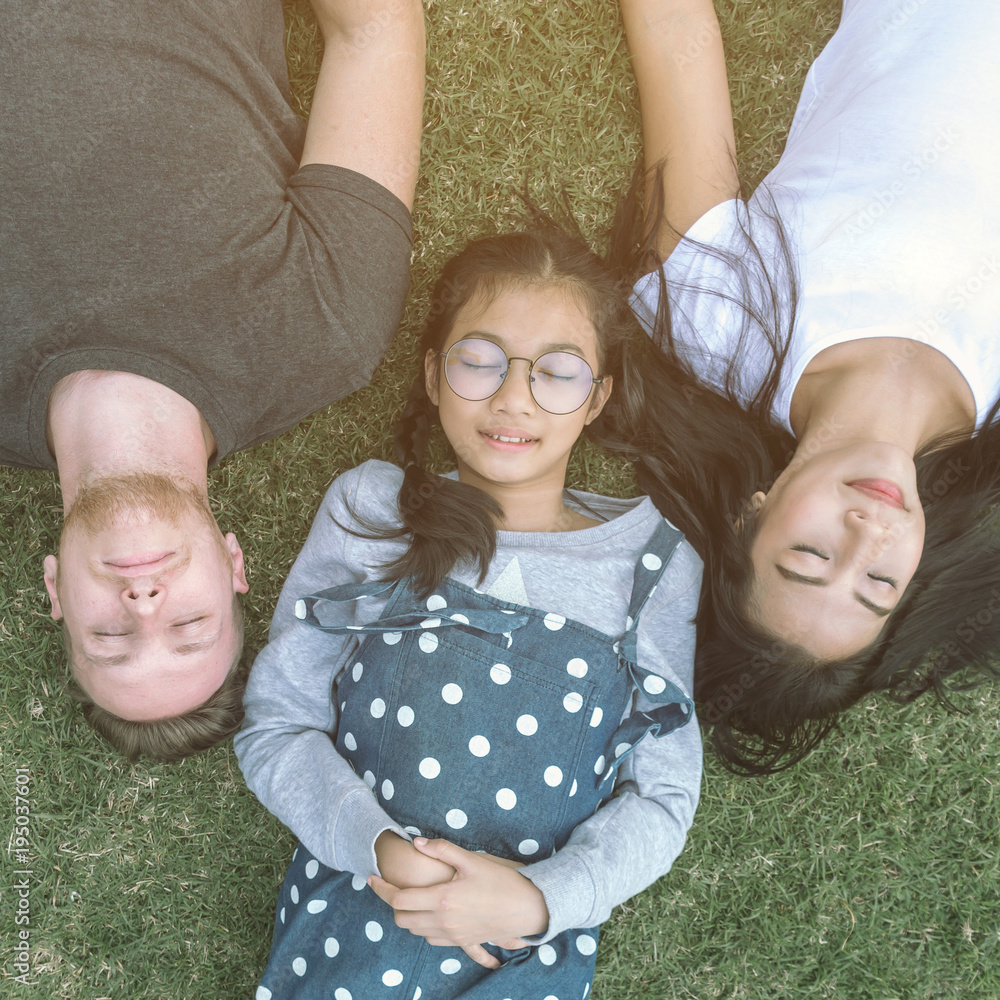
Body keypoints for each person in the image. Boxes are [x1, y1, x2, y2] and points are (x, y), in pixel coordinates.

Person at [234, 219, 704, 999]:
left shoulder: (653, 562)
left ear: (597, 400)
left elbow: (662, 796)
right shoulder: (374, 509)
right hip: (348, 929)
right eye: (479, 361)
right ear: (430, 374)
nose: (513, 397)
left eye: (557, 372)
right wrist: (381, 849)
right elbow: (276, 724)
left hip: (523, 958)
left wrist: (540, 898)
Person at [0, 0, 425, 759]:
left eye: (110, 636)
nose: (143, 605)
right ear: (234, 565)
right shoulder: (322, 332)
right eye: (188, 627)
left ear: (56, 590)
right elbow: (375, 29)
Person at [619, 0, 1000, 772]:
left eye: (813, 554)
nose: (868, 533)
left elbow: (672, 30)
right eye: (880, 581)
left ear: (748, 514)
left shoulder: (721, 321)